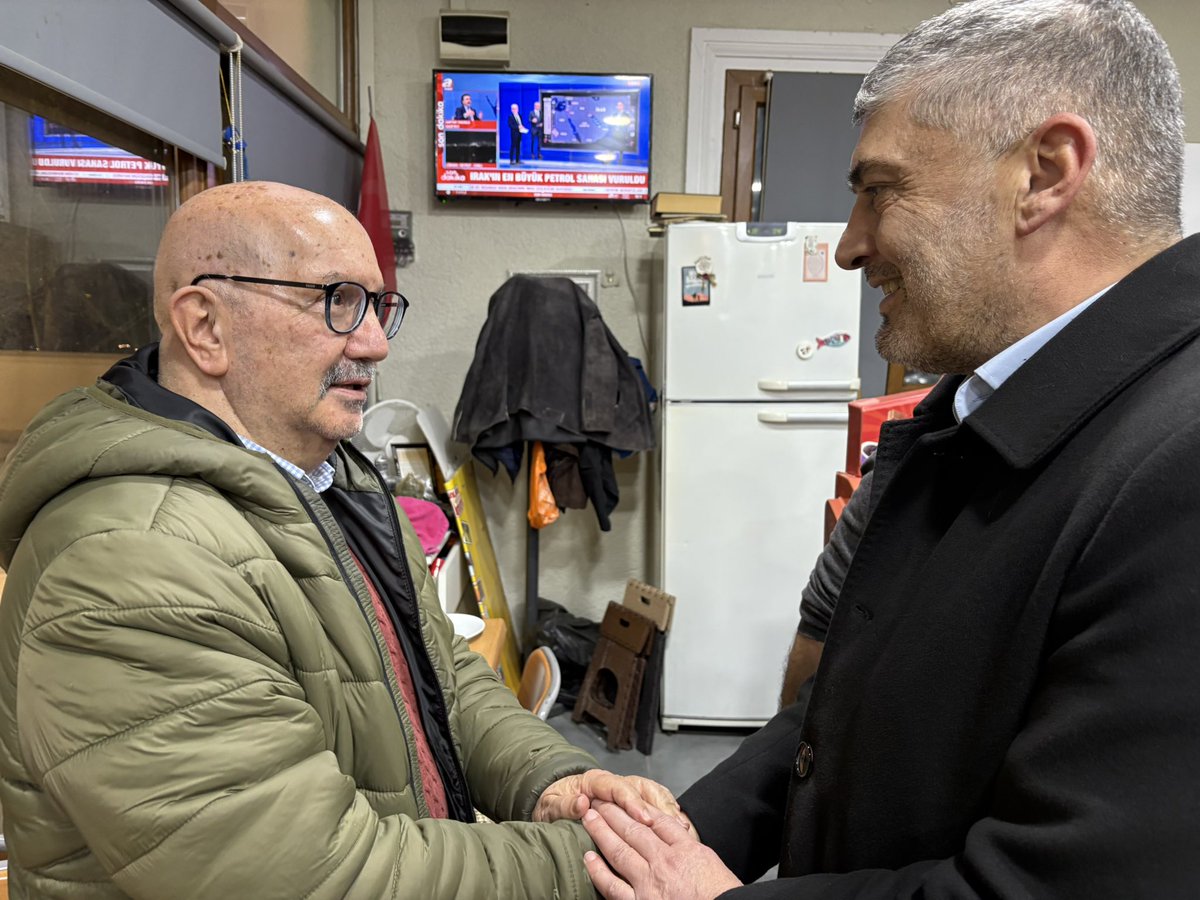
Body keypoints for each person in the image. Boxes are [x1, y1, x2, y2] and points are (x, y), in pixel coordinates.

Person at [580, 0, 1200, 896]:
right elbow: (844, 716)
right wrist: (672, 827)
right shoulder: (975, 408)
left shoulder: (1177, 463)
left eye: (881, 189)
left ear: (1046, 173)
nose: (847, 246)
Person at [0, 181, 684, 898]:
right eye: (337, 301)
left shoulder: (324, 476)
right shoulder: (130, 566)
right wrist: (600, 862)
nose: (376, 342)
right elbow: (318, 878)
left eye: (378, 304)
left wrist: (557, 783)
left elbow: (437, 672)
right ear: (205, 327)